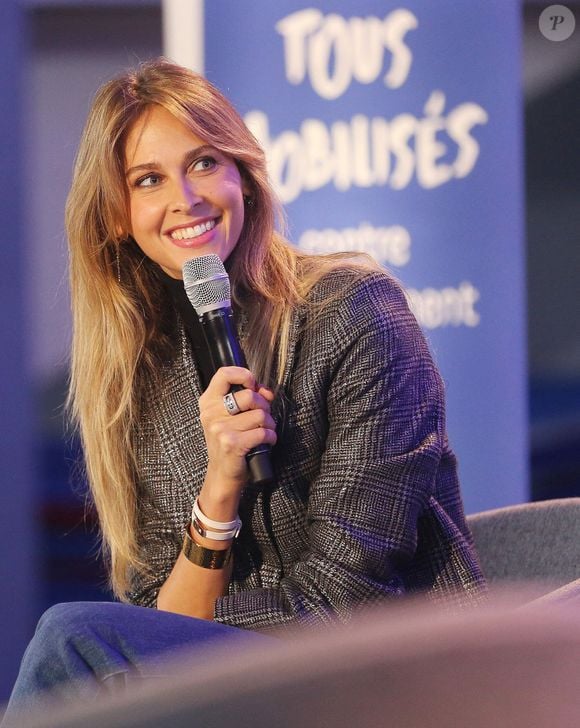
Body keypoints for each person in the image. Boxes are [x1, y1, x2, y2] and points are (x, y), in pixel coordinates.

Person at [3, 58, 485, 720]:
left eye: (203, 163)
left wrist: (180, 643)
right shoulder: (138, 377)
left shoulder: (354, 314)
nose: (186, 198)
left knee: (73, 643)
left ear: (244, 178)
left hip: (394, 679)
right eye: (149, 180)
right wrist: (220, 485)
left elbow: (343, 601)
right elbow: (155, 621)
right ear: (118, 216)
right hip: (243, 697)